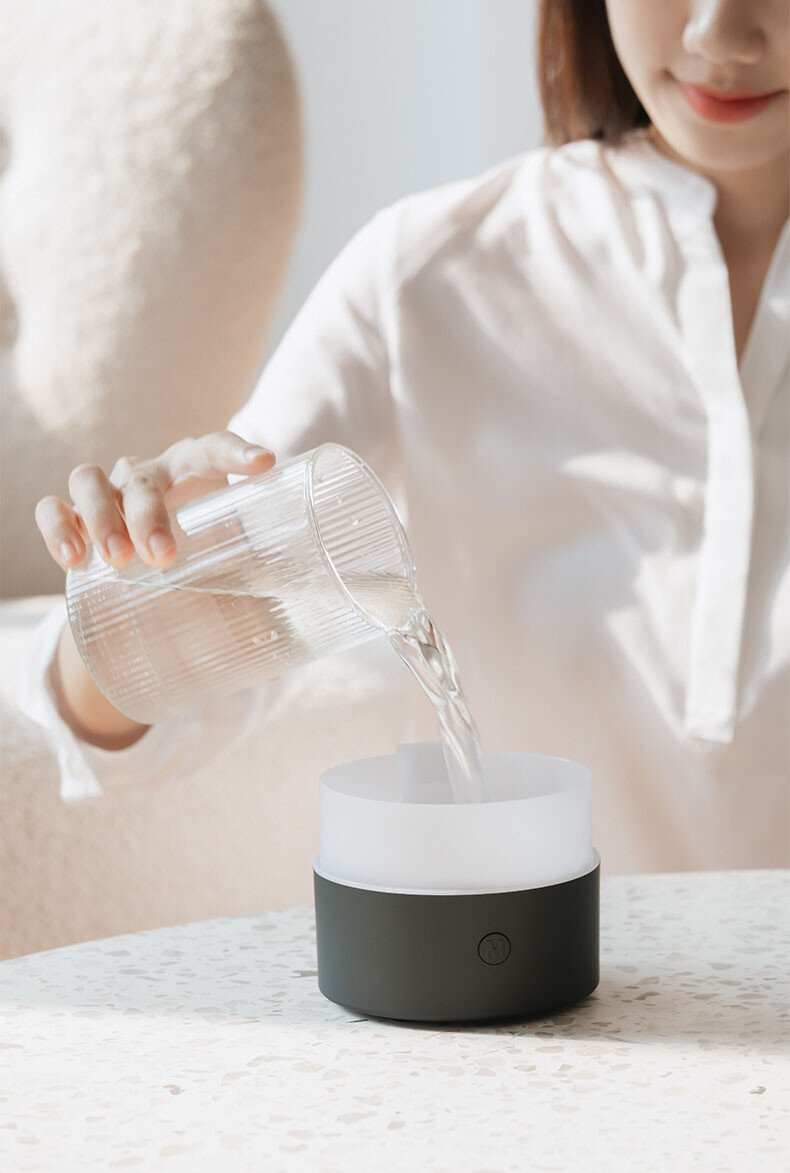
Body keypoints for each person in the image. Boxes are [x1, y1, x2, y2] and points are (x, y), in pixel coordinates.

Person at [25, 0, 789, 872]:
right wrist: (148, 570)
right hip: (528, 953)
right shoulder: (433, 275)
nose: (719, 33)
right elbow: (107, 734)